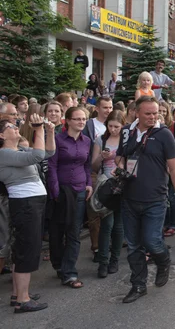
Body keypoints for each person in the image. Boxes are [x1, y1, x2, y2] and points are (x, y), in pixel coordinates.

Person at [115, 96, 175, 303]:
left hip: (155, 199)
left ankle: (163, 260)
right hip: (129, 198)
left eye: (155, 113)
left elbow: (174, 168)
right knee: (133, 246)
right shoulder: (126, 132)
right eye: (147, 113)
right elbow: (120, 157)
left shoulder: (164, 134)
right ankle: (138, 285)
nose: (152, 116)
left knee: (152, 241)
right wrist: (120, 168)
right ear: (136, 113)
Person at [0, 115, 55, 313]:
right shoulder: (3, 153)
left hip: (31, 204)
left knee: (23, 249)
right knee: (27, 250)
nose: (15, 127)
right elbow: (38, 156)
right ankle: (23, 300)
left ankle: (18, 294)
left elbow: (48, 152)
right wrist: (38, 129)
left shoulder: (19, 149)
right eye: (9, 126)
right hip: (25, 204)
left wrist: (50, 131)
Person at [46, 106, 93, 289]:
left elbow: (87, 165)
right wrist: (55, 191)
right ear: (68, 121)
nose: (81, 122)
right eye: (77, 119)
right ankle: (58, 264)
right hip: (61, 190)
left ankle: (70, 272)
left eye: (83, 119)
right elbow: (51, 166)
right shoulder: (57, 140)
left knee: (74, 232)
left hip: (80, 190)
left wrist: (89, 183)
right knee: (57, 232)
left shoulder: (87, 141)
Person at [91, 110, 125, 278]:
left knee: (119, 225)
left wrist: (120, 164)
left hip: (121, 184)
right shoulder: (101, 139)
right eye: (110, 126)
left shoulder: (126, 140)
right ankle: (103, 262)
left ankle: (115, 260)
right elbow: (94, 166)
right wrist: (102, 158)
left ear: (122, 126)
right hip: (105, 183)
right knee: (107, 224)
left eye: (117, 126)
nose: (113, 129)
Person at [82, 96, 113, 261]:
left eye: (110, 107)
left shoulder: (113, 124)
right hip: (93, 171)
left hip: (110, 172)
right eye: (105, 107)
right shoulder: (90, 125)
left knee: (109, 211)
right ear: (97, 109)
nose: (108, 110)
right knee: (94, 210)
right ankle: (96, 246)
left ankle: (107, 244)